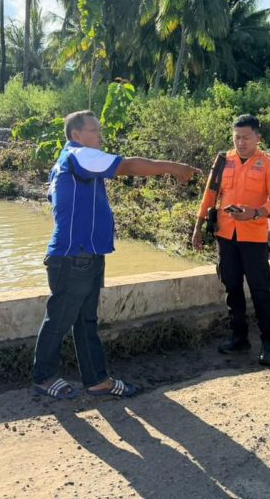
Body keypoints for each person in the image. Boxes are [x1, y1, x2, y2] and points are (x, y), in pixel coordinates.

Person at [32, 110, 199, 399]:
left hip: (87, 255)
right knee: (59, 320)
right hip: (74, 256)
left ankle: (96, 379)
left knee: (86, 322)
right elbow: (130, 166)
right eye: (94, 131)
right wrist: (173, 167)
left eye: (99, 130)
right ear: (76, 135)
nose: (100, 136)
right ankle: (44, 377)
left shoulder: (72, 162)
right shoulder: (78, 155)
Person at [192, 114, 270, 366]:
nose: (241, 142)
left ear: (258, 138)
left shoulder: (268, 163)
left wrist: (255, 213)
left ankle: (269, 344)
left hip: (253, 237)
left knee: (260, 290)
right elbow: (210, 195)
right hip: (226, 235)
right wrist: (198, 226)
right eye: (236, 137)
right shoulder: (224, 161)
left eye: (246, 137)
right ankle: (239, 337)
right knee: (231, 286)